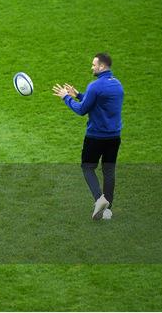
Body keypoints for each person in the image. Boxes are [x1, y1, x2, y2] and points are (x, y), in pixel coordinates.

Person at [52, 53, 124, 220]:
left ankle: (100, 199)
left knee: (87, 167)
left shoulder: (95, 86)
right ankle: (107, 210)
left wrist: (65, 98)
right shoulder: (117, 85)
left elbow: (82, 110)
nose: (92, 67)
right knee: (109, 170)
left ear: (102, 67)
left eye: (94, 65)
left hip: (96, 137)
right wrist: (78, 95)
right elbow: (99, 103)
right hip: (114, 137)